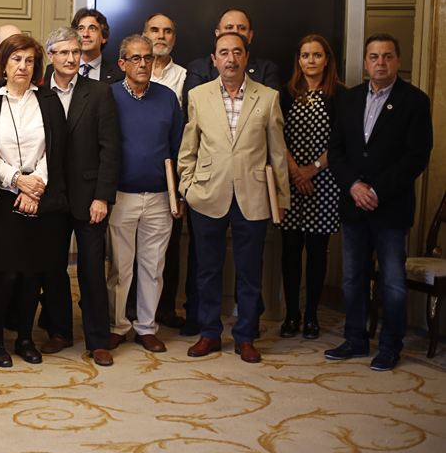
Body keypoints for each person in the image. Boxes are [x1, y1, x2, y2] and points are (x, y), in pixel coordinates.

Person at [178, 32, 289, 364]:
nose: (230, 59)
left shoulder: (268, 97)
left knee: (250, 271)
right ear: (214, 59)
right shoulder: (197, 95)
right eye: (223, 53)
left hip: (253, 196)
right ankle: (210, 334)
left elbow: (278, 153)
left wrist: (280, 198)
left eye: (236, 52)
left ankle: (246, 336)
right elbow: (189, 149)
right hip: (207, 194)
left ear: (246, 57)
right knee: (207, 270)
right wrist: (187, 188)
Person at [325, 34, 433, 371]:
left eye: (387, 56)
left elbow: (416, 157)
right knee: (352, 278)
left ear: (398, 61)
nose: (380, 63)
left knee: (392, 282)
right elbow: (336, 151)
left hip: (390, 207)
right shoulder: (351, 98)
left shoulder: (415, 101)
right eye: (374, 57)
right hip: (353, 204)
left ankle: (390, 346)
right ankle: (356, 339)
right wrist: (355, 185)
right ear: (366, 62)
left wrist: (376, 191)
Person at [0, 34, 68, 368]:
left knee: (33, 273)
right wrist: (17, 181)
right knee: (7, 272)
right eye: (16, 59)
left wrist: (35, 185)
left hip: (40, 198)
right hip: (1, 199)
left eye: (29, 60)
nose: (23, 67)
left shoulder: (47, 100)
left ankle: (26, 339)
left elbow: (55, 149)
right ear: (3, 63)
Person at [40, 27, 119, 366]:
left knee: (90, 270)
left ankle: (98, 339)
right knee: (53, 269)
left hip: (90, 199)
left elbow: (111, 150)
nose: (71, 58)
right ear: (50, 57)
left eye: (76, 52)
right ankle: (59, 331)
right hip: (49, 197)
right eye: (63, 53)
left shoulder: (99, 93)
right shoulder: (37, 93)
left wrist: (102, 197)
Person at [105, 34, 185, 355]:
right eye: (136, 58)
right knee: (120, 268)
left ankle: (146, 327)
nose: (142, 64)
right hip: (121, 195)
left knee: (153, 267)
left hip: (159, 197)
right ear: (122, 63)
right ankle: (117, 326)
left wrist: (177, 193)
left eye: (148, 58)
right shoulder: (108, 96)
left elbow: (179, 147)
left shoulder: (167, 97)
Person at [278, 35, 347, 340]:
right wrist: (296, 171)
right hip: (291, 182)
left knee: (318, 252)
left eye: (317, 55)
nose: (310, 61)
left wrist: (313, 170)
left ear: (327, 59)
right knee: (291, 250)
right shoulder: (286, 93)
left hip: (325, 183)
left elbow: (342, 141)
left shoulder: (341, 96)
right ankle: (292, 314)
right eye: (305, 55)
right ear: (298, 60)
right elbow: (276, 136)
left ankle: (312, 316)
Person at [141, 13, 188, 330]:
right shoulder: (134, 69)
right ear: (144, 35)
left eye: (168, 31)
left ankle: (166, 309)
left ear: (174, 38)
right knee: (131, 253)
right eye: (155, 30)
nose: (161, 35)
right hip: (133, 172)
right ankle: (133, 309)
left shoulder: (186, 76)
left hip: (170, 172)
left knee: (169, 249)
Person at [45, 9, 124, 85]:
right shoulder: (53, 70)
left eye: (92, 28)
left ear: (104, 37)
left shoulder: (117, 74)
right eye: (81, 29)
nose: (85, 34)